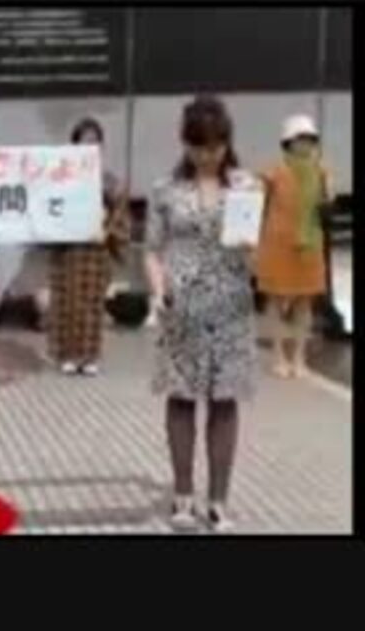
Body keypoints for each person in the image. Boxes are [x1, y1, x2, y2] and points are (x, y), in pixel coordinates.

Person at [144, 96, 258, 533]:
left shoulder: (245, 187)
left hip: (230, 306)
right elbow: (153, 249)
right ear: (185, 143)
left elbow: (255, 253)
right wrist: (159, 291)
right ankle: (182, 495)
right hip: (182, 307)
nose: (207, 156)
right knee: (181, 398)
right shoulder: (166, 190)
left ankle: (219, 501)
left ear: (227, 142)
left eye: (214, 147)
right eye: (198, 147)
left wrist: (252, 245)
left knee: (225, 401)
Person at [49, 118, 131, 376]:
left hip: (96, 248)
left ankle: (90, 356)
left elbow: (121, 212)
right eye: (84, 142)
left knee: (92, 303)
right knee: (66, 300)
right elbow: (50, 210)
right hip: (68, 249)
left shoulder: (109, 181)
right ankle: (67, 355)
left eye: (94, 142)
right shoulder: (61, 179)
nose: (89, 147)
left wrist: (108, 229)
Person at [255, 115, 331, 379]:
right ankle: (278, 354)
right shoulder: (273, 171)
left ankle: (299, 356)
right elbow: (255, 201)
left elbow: (326, 204)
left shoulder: (321, 172)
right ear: (288, 142)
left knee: (304, 302)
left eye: (310, 139)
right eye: (300, 139)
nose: (305, 144)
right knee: (275, 301)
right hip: (277, 244)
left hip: (309, 246)